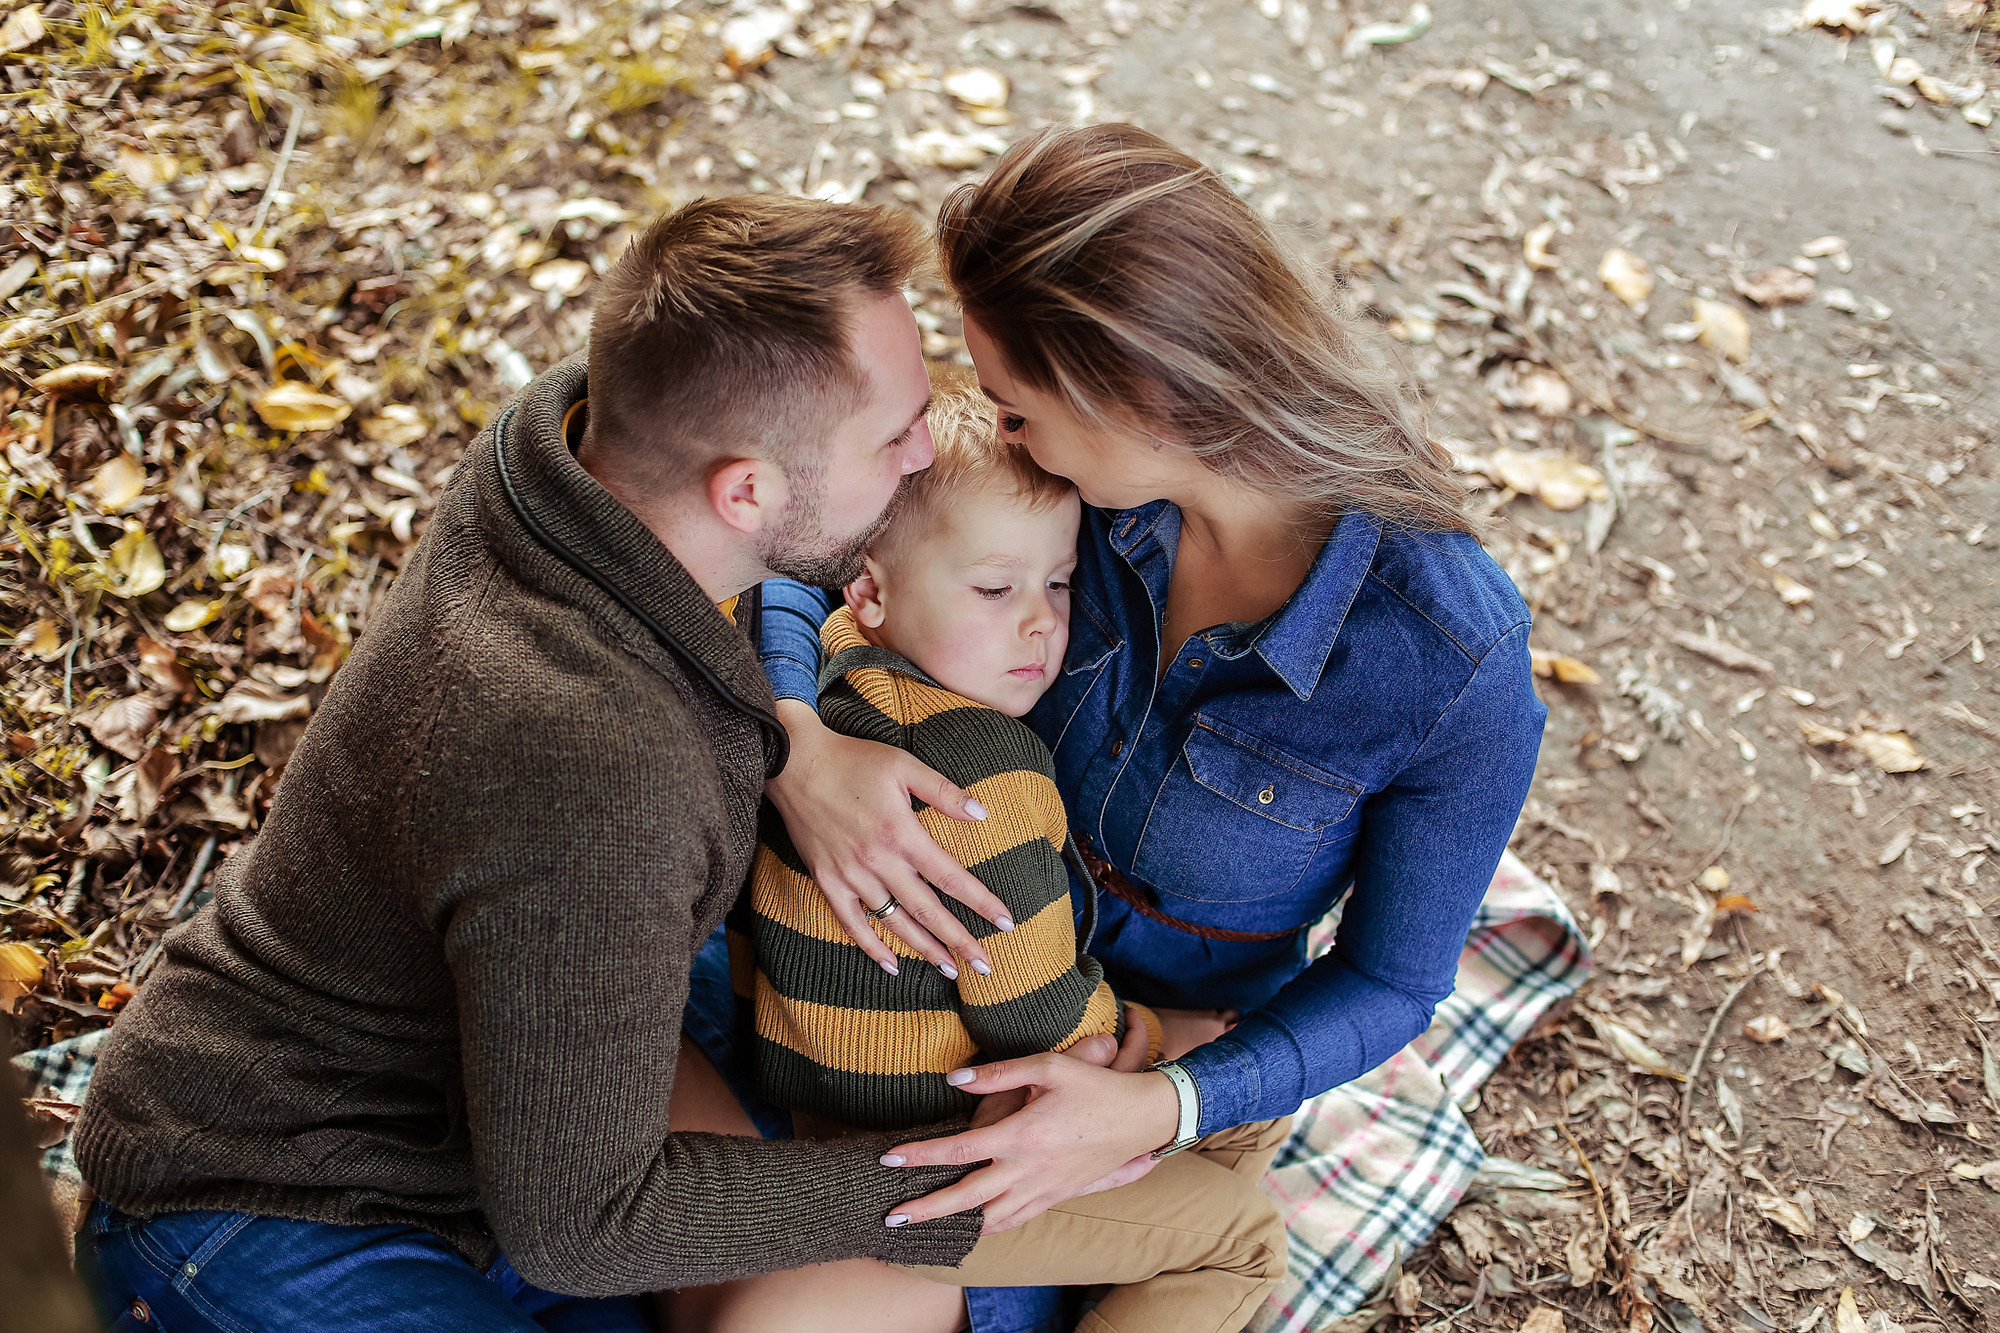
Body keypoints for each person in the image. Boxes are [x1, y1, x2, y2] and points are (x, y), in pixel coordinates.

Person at [69, 195, 1009, 1333]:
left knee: (844, 1258)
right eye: (895, 433)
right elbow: (582, 1222)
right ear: (746, 491)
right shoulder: (594, 766)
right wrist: (976, 1180)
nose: (923, 455)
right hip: (265, 1198)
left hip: (486, 1104)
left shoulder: (573, 448)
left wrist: (796, 740)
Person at [736, 122, 1547, 1333]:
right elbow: (811, 555)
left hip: (1163, 1065)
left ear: (1134, 393)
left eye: (1012, 410)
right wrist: (801, 744)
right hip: (921, 1014)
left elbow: (1390, 980)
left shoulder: (1445, 659)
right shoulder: (1061, 506)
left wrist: (1162, 1099)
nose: (995, 436)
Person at [729, 369, 1287, 1333]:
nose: (1039, 621)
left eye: (1058, 582)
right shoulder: (986, 773)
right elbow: (1038, 1018)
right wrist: (1164, 1043)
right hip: (931, 1149)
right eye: (995, 587)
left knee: (1234, 1118)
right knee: (1247, 1233)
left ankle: (1114, 1252)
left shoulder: (830, 671)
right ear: (868, 588)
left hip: (815, 1088)